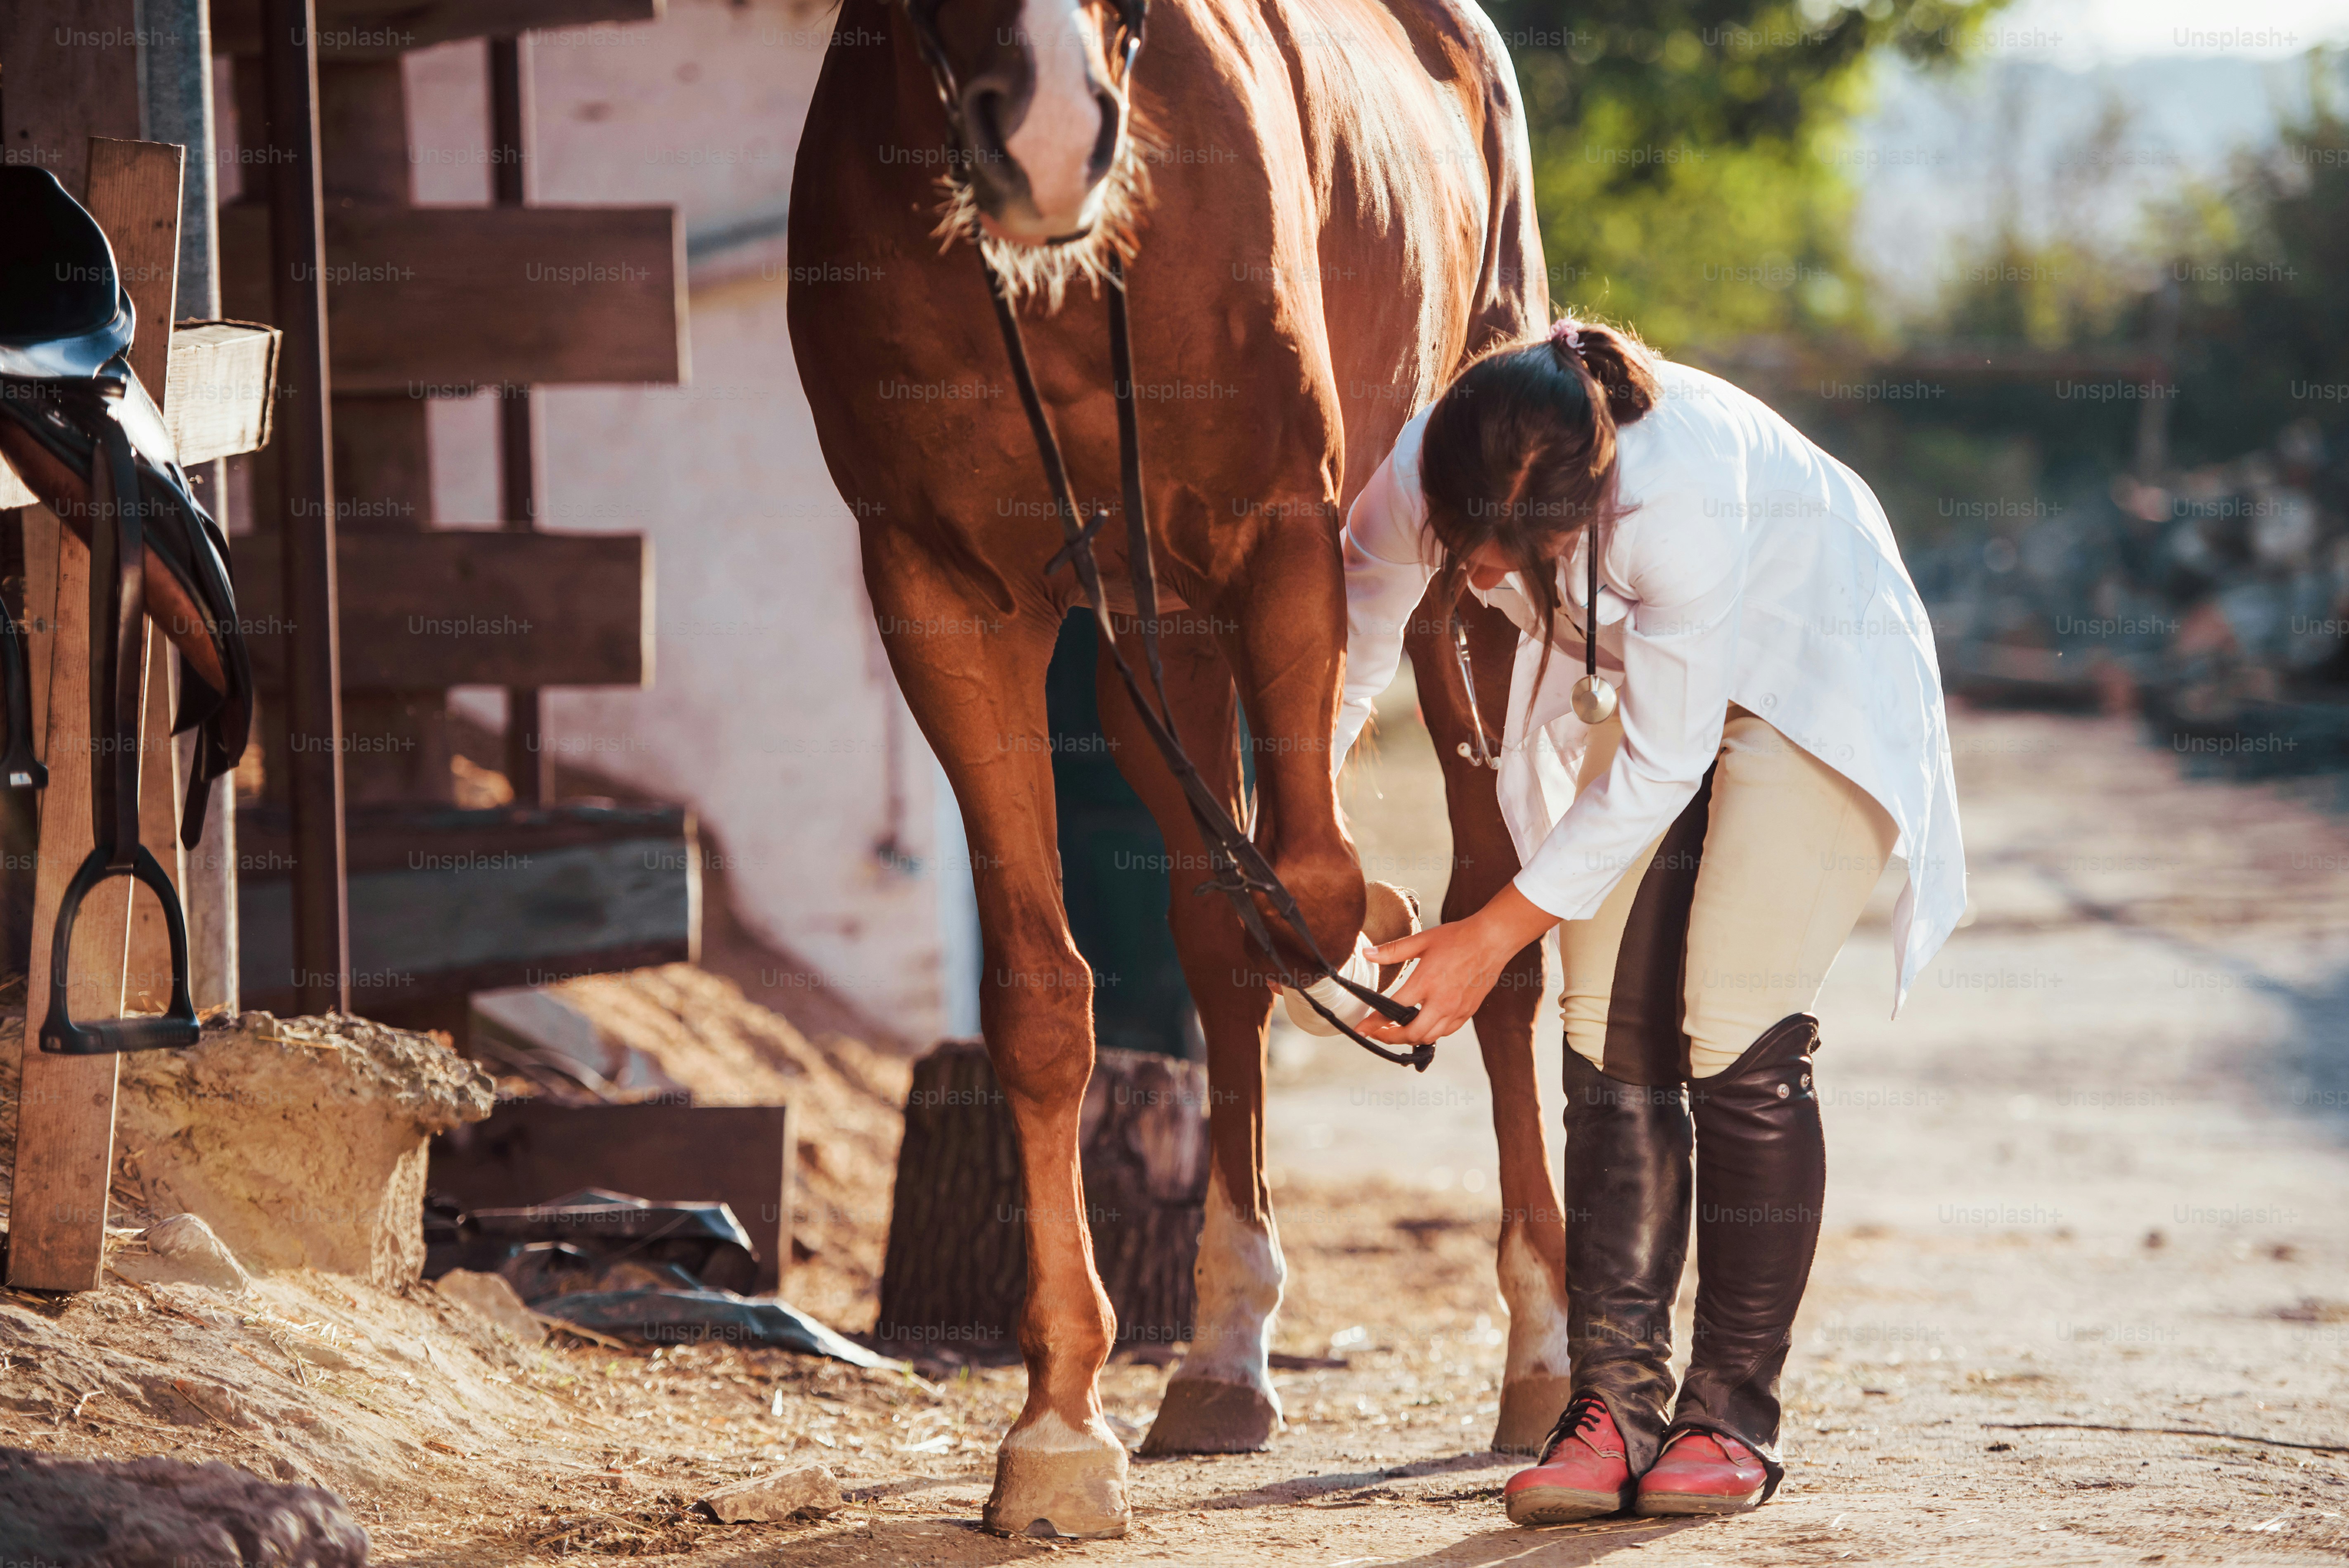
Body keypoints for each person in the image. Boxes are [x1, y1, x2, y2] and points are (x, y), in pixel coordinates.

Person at [1333, 317, 1964, 1521]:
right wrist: (1310, 850)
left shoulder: (1667, 500)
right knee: (1597, 1006)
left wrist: (1482, 939)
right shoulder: (1428, 468)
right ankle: (1611, 1402)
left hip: (1813, 677)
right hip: (1663, 687)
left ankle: (1731, 1415)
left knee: (1725, 1012)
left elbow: (1663, 760)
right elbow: (1350, 664)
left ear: (1590, 508)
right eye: (1464, 547)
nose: (1475, 575)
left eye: (1513, 554)